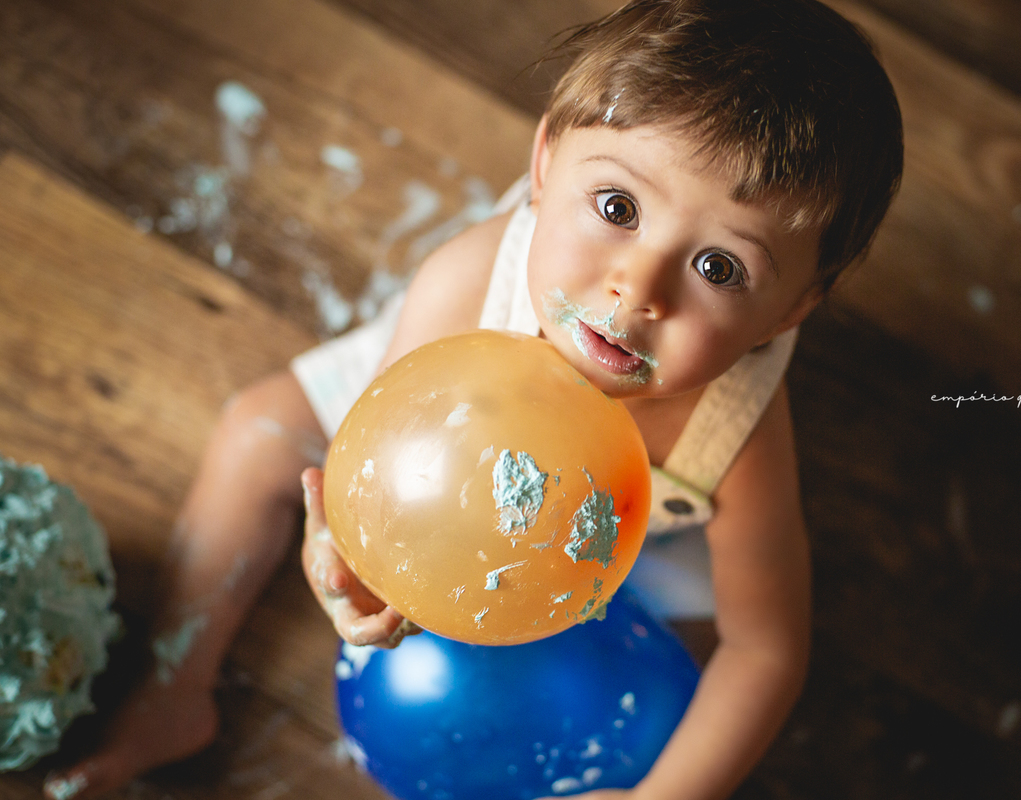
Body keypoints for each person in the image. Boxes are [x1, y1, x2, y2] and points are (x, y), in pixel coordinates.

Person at [44, 1, 902, 798]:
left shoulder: (735, 436)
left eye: (719, 267)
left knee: (704, 668)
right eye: (615, 206)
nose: (635, 290)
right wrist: (339, 559)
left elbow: (769, 649)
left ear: (789, 312)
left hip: (628, 518)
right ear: (544, 165)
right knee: (255, 432)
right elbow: (373, 472)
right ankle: (173, 687)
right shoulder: (464, 283)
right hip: (446, 406)